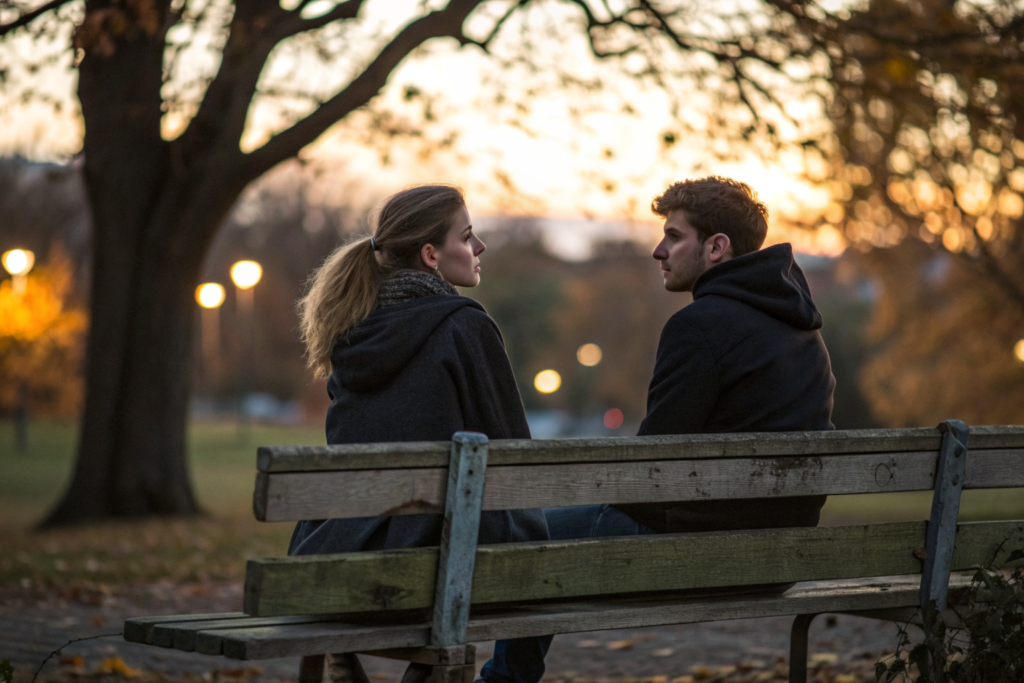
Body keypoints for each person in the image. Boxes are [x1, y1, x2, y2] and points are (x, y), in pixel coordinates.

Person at [291, 184, 551, 683]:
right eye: (468, 236)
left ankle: (347, 660)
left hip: (334, 559)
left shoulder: (352, 330)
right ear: (431, 255)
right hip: (436, 572)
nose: (479, 249)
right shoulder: (465, 326)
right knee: (553, 558)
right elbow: (516, 460)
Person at [548, 175, 835, 538]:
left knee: (513, 531)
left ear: (716, 247)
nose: (659, 250)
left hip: (696, 549)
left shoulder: (697, 327)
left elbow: (649, 467)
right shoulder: (804, 330)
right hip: (782, 558)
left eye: (674, 236)